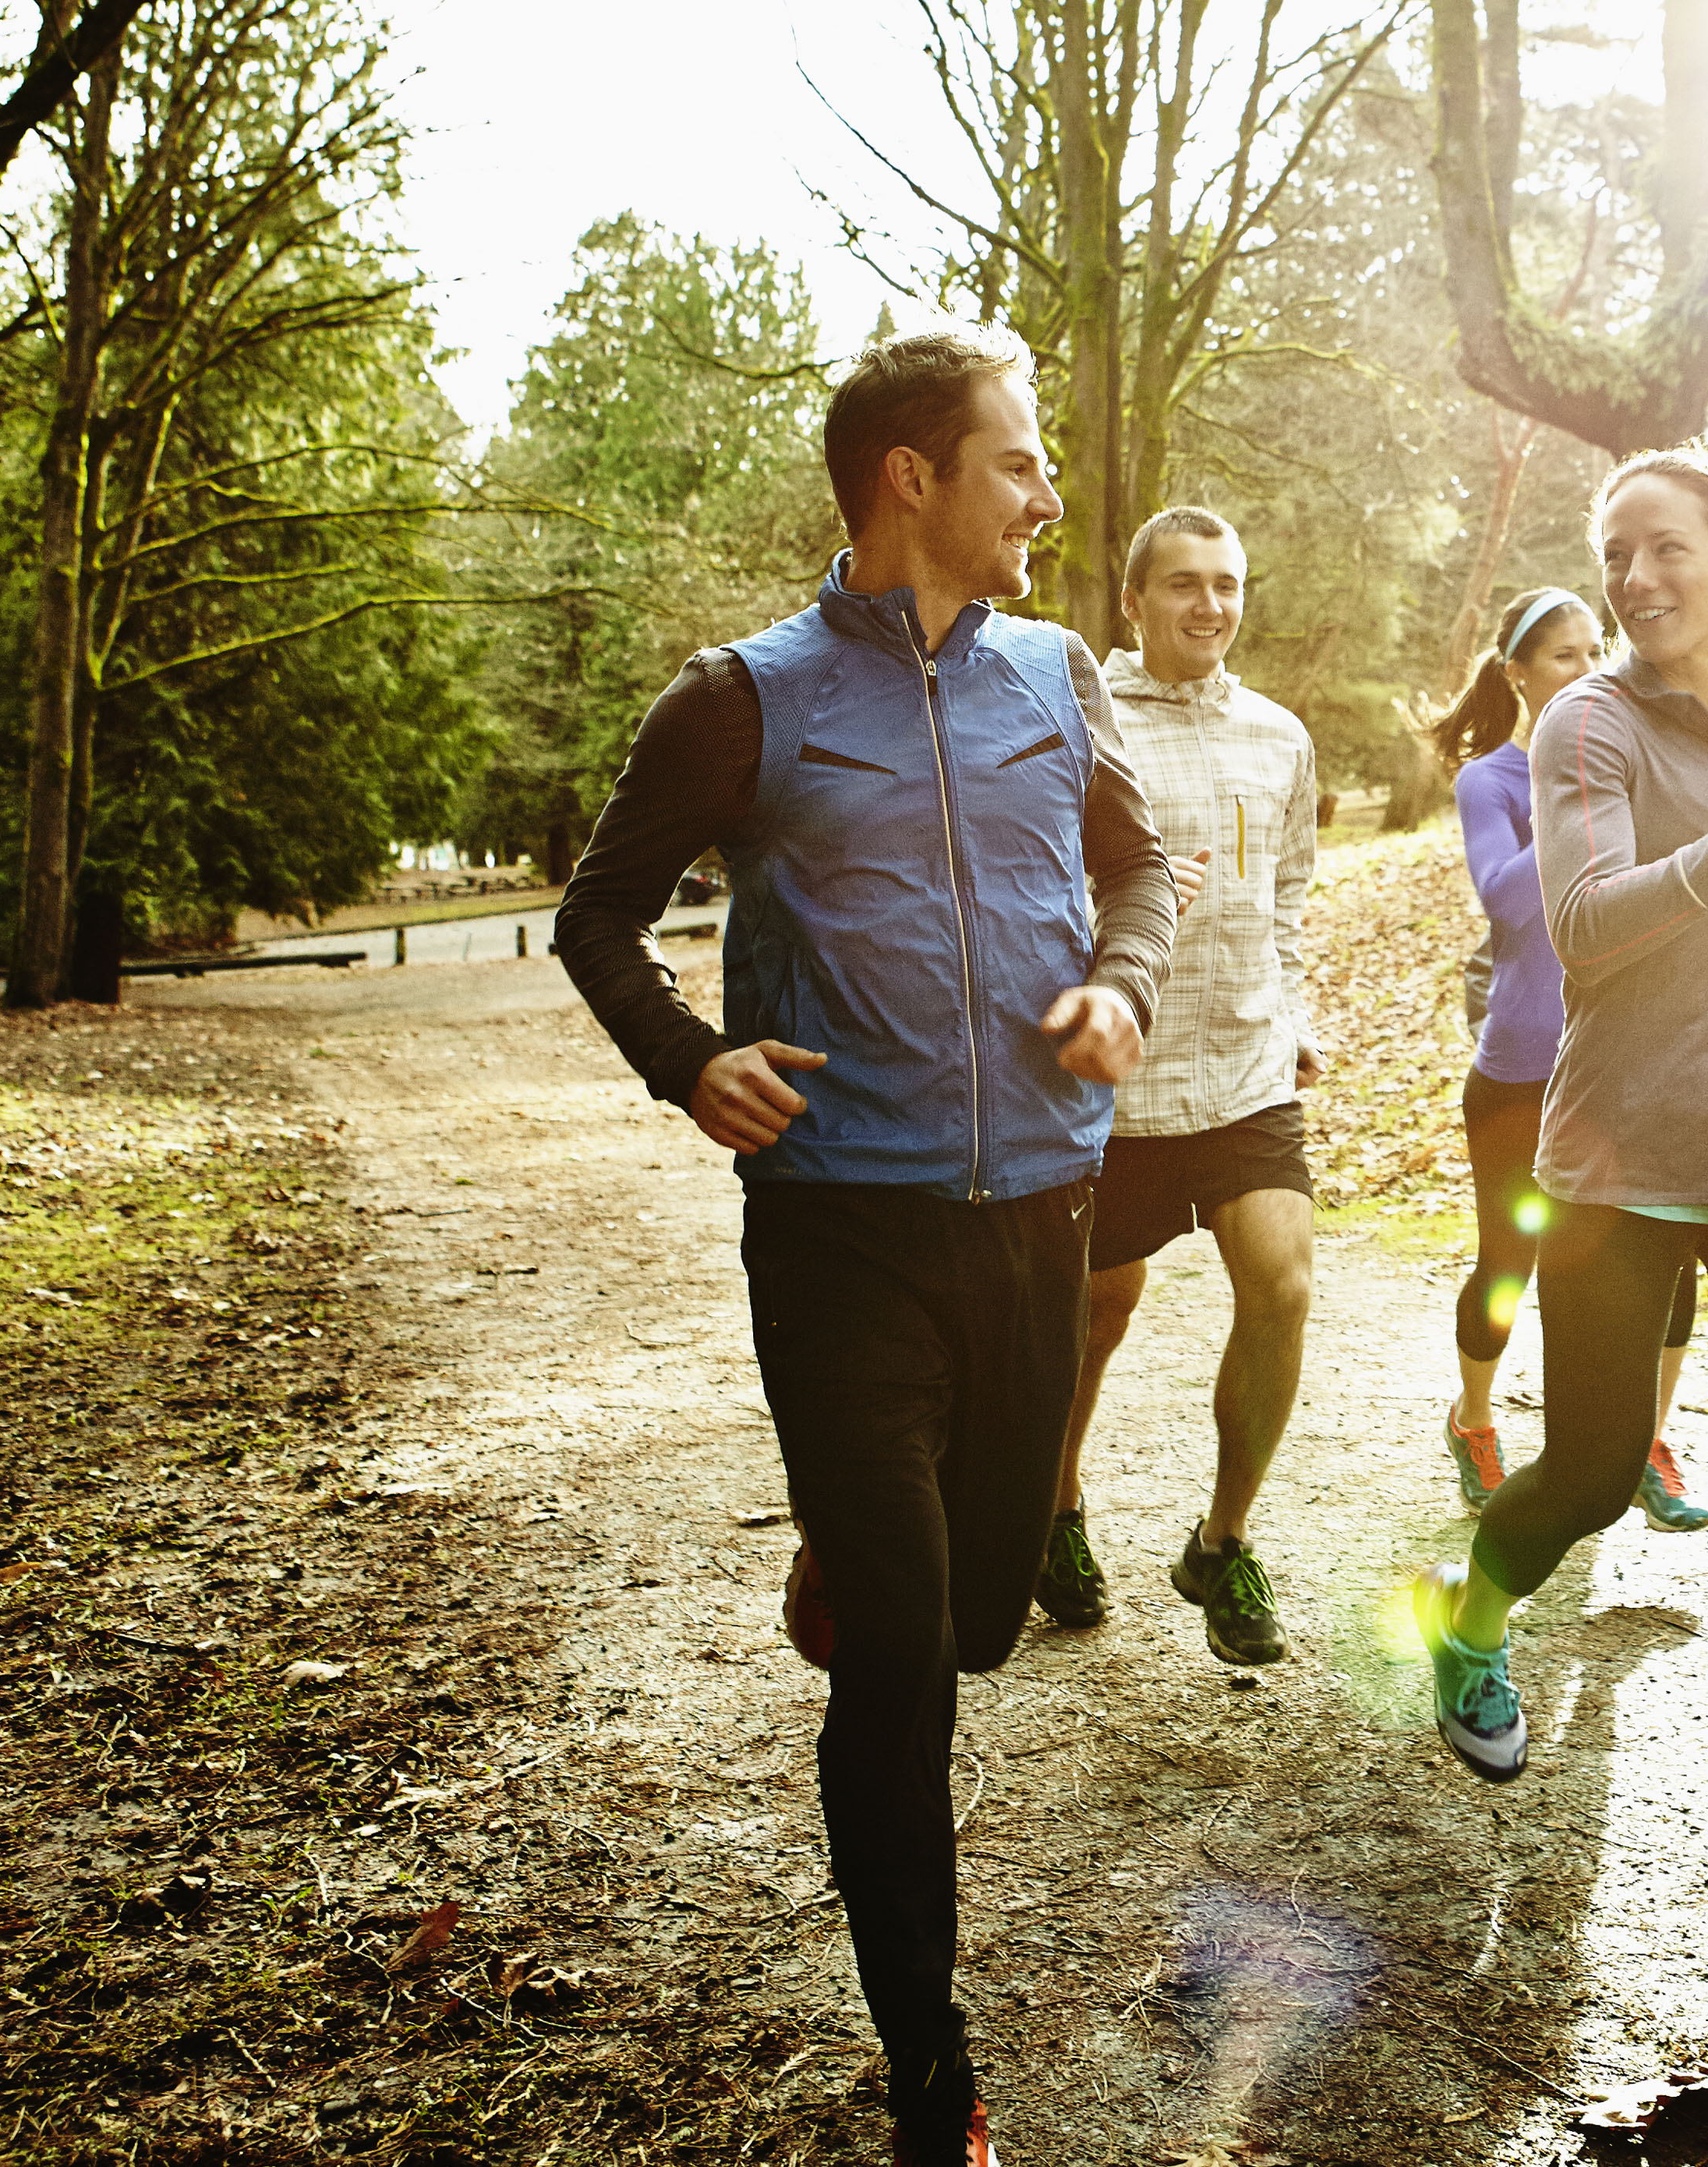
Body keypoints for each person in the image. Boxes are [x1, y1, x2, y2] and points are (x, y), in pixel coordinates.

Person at [552, 324, 1172, 2167]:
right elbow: (596, 920)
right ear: (911, 476)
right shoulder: (739, 699)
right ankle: (931, 2068)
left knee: (975, 1614)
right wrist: (689, 1061)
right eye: (1017, 462)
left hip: (1035, 1218)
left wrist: (1120, 991)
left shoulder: (1057, 674)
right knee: (902, 1666)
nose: (1047, 494)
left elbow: (1134, 873)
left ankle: (862, 1542)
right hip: (840, 1236)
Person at [1406, 449, 1708, 1989]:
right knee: (1599, 1474)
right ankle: (1474, 1619)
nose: (1634, 579)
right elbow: (1588, 932)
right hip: (1615, 1162)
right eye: (1614, 554)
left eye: (1665, 548)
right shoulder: (1581, 723)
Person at [1041, 506, 1324, 1668]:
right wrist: (1137, 903)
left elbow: (1294, 894)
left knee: (1284, 1279)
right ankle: (1054, 1510)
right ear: (1134, 600)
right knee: (1096, 1316)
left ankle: (1225, 1536)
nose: (1209, 606)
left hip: (1248, 1069)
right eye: (1184, 586)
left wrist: (1296, 1012)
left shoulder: (1278, 735)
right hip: (1122, 1086)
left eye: (1227, 585)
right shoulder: (1077, 723)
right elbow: (1037, 891)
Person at [1432, 586, 1708, 1535]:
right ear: (1517, 673)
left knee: (1671, 1266)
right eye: (1562, 656)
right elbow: (1509, 905)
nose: (1587, 671)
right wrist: (1573, 797)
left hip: (1633, 1060)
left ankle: (1645, 1444)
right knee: (1513, 1263)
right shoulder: (1492, 784)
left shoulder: (1633, 764)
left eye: (1597, 651)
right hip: (1522, 1067)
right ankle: (1474, 1419)